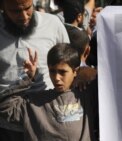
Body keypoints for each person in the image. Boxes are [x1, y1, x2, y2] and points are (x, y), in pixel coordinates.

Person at [0, 0, 69, 140]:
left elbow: (69, 63)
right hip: (7, 126)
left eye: (27, 8)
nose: (24, 16)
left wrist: (84, 73)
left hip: (47, 122)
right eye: (15, 11)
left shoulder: (53, 24)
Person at [0, 43, 95, 141]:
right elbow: (5, 107)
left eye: (62, 72)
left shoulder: (85, 95)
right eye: (52, 71)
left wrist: (88, 73)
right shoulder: (36, 103)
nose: (57, 78)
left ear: (75, 71)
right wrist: (27, 78)